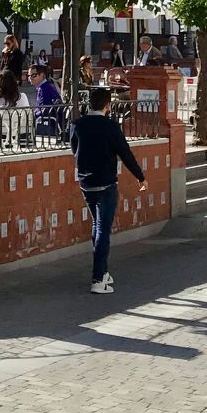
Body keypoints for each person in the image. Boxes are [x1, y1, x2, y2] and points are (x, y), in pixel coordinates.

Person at [71, 86, 146, 294]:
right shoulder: (111, 126)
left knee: (97, 224)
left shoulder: (78, 124)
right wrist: (140, 176)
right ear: (108, 106)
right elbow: (125, 153)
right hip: (106, 182)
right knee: (103, 228)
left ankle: (103, 272)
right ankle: (98, 278)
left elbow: (74, 149)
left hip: (86, 182)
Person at [30, 62, 65, 138]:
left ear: (42, 75)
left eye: (33, 75)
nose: (30, 78)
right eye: (29, 75)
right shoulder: (46, 86)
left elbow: (45, 109)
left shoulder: (44, 89)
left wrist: (33, 114)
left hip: (50, 124)